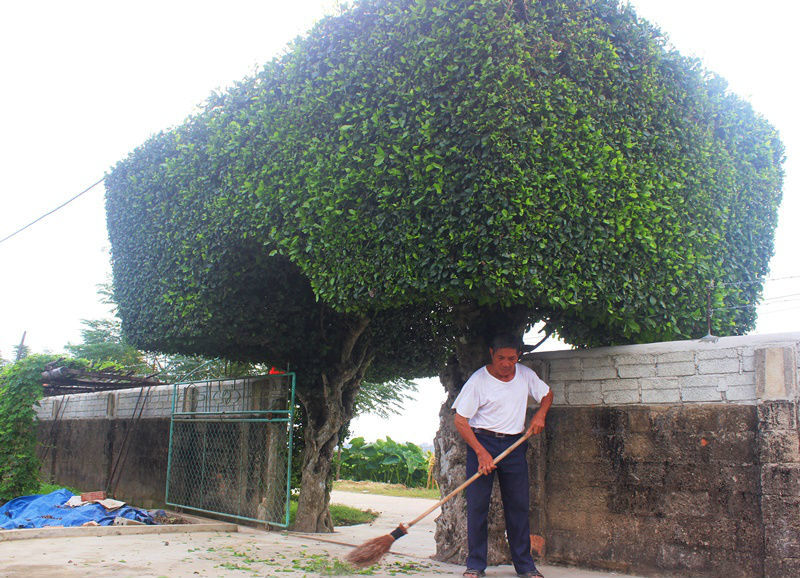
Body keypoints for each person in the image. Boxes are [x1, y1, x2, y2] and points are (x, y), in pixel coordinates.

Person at [452, 333, 554, 578]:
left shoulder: (526, 375)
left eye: (512, 358)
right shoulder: (479, 381)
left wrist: (540, 414)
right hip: (482, 442)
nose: (507, 364)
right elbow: (460, 420)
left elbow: (547, 394)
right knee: (477, 506)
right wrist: (481, 452)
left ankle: (525, 566)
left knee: (518, 507)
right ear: (491, 354)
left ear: (518, 356)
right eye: (501, 358)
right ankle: (475, 565)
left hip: (514, 445)